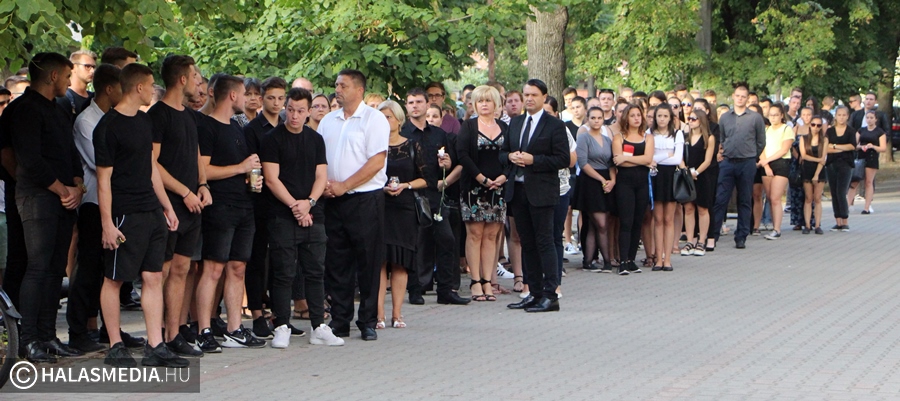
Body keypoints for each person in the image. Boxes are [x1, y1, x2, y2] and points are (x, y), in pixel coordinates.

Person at [92, 63, 186, 368]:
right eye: (151, 84)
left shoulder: (145, 121)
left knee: (153, 275)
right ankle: (115, 345)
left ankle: (155, 345)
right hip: (124, 213)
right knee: (114, 278)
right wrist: (107, 223)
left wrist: (167, 206)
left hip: (151, 210)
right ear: (139, 87)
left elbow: (151, 167)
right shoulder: (107, 127)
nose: (154, 89)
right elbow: (103, 180)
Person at [2, 52, 84, 363]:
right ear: (53, 76)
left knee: (54, 268)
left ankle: (48, 335)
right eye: (67, 76)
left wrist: (77, 186)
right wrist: (62, 189)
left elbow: (71, 154)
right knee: (36, 267)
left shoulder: (59, 109)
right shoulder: (24, 109)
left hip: (64, 198)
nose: (68, 82)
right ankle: (27, 339)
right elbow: (28, 159)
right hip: (37, 198)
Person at [68, 64, 145, 354]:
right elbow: (102, 163)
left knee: (110, 271)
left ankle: (108, 328)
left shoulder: (113, 118)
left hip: (116, 203)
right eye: (122, 88)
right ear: (110, 89)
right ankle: (78, 330)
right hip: (94, 204)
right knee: (88, 269)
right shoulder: (87, 121)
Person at [260, 87, 343, 347]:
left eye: (300, 111)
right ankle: (281, 325)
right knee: (284, 272)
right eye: (291, 110)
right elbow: (271, 179)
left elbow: (321, 176)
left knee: (315, 271)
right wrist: (296, 207)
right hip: (282, 215)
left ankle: (318, 326)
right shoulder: (272, 139)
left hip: (313, 213)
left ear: (309, 112)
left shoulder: (315, 140)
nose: (294, 116)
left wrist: (309, 203)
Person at [194, 75, 266, 351]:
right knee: (213, 268)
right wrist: (240, 168)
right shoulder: (207, 126)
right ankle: (204, 328)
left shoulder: (237, 127)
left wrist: (251, 176)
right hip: (219, 206)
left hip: (244, 204)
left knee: (238, 267)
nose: (247, 98)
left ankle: (235, 328)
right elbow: (203, 170)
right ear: (233, 95)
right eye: (244, 93)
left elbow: (245, 166)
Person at [320, 69, 389, 341]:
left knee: (368, 260)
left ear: (359, 90)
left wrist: (344, 185)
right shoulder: (328, 120)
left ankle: (368, 320)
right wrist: (325, 185)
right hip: (333, 200)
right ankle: (340, 319)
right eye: (336, 85)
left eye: (343, 85)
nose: (337, 90)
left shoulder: (374, 119)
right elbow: (320, 157)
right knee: (337, 261)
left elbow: (376, 162)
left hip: (364, 199)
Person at [148, 55, 209, 357]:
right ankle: (155, 337)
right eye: (195, 76)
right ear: (182, 79)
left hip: (193, 204)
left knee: (183, 268)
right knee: (162, 270)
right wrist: (184, 192)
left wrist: (203, 184)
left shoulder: (189, 116)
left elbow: (195, 153)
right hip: (169, 204)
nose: (199, 82)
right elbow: (153, 163)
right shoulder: (158, 115)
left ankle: (174, 333)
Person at [503, 79, 569, 313]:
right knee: (526, 242)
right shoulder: (516, 122)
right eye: (526, 95)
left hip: (542, 191)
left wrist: (535, 160)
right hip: (518, 190)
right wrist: (510, 157)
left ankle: (551, 295)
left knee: (545, 241)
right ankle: (534, 292)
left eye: (534, 95)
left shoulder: (554, 125)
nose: (529, 99)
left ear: (544, 97)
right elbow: (503, 151)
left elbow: (563, 158)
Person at [401, 89, 469, 305]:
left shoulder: (439, 134)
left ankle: (446, 290)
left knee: (447, 239)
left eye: (418, 101)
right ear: (406, 106)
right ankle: (415, 289)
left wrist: (446, 166)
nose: (415, 106)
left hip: (435, 196)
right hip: (410, 195)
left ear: (427, 104)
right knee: (416, 244)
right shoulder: (402, 133)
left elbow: (448, 164)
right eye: (411, 102)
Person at [240, 76, 286, 337]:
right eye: (271, 98)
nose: (276, 103)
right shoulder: (252, 129)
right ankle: (257, 313)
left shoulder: (287, 126)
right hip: (258, 201)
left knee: (282, 260)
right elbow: (252, 166)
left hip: (283, 201)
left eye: (280, 98)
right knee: (257, 259)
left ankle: (281, 315)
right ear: (261, 99)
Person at [377, 100, 427, 328]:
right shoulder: (373, 146)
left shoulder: (412, 145)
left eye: (388, 117)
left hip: (405, 208)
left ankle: (397, 314)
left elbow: (425, 178)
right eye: (381, 117)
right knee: (379, 262)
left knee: (400, 262)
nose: (384, 121)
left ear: (398, 119)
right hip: (380, 206)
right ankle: (379, 314)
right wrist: (382, 188)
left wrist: (406, 185)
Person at [457, 85, 508, 302]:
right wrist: (481, 178)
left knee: (491, 235)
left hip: (499, 188)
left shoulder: (504, 127)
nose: (484, 104)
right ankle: (475, 281)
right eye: (480, 101)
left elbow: (511, 155)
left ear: (496, 103)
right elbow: (463, 154)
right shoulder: (468, 126)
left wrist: (504, 177)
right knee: (475, 234)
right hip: (474, 187)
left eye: (488, 100)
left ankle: (488, 280)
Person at [711, 83, 766, 250]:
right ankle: (713, 235)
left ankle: (741, 236)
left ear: (747, 99)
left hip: (747, 162)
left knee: (744, 200)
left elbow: (761, 141)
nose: (740, 99)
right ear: (733, 97)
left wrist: (752, 155)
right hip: (728, 162)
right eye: (738, 96)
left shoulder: (755, 118)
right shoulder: (725, 117)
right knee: (721, 199)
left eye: (743, 97)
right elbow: (723, 138)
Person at [611, 104, 654, 274]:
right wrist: (638, 160)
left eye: (638, 115)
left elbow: (648, 159)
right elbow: (618, 161)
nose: (636, 118)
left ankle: (631, 260)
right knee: (626, 221)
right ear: (626, 118)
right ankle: (622, 261)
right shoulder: (619, 137)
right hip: (624, 184)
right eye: (632, 115)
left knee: (638, 221)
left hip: (642, 183)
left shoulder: (648, 138)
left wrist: (627, 158)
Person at [575, 107, 615, 271]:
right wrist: (602, 179)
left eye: (599, 118)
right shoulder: (583, 138)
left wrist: (612, 181)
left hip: (606, 181)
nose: (596, 121)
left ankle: (588, 261)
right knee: (601, 223)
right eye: (593, 118)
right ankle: (607, 261)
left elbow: (612, 163)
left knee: (594, 225)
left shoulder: (607, 140)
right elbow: (583, 163)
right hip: (590, 182)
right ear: (588, 119)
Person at [649, 104, 684, 271]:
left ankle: (667, 259)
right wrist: (665, 155)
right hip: (654, 176)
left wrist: (657, 158)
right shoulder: (649, 134)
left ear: (670, 118)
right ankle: (658, 258)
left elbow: (677, 159)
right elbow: (648, 158)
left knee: (669, 219)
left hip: (670, 177)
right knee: (657, 219)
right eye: (659, 116)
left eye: (665, 116)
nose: (662, 119)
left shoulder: (677, 134)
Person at [680, 110, 716, 256]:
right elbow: (680, 156)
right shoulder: (684, 137)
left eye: (694, 119)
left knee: (702, 208)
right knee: (688, 208)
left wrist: (696, 173)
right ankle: (690, 240)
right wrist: (685, 171)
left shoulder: (709, 138)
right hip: (687, 175)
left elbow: (708, 160)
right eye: (689, 118)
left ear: (701, 120)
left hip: (702, 176)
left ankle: (702, 240)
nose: (690, 121)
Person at [757, 104, 793, 240]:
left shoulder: (786, 129)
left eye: (776, 115)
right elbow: (761, 148)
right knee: (769, 197)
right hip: (766, 164)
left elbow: (784, 149)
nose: (773, 117)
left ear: (781, 115)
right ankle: (773, 225)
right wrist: (766, 165)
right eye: (771, 115)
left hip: (781, 163)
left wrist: (767, 161)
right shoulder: (766, 130)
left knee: (775, 197)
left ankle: (777, 229)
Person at [825, 107, 856, 231]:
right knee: (834, 193)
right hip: (832, 164)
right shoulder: (830, 131)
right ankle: (837, 221)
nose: (841, 117)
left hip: (846, 164)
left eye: (844, 115)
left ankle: (845, 220)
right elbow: (826, 148)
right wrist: (840, 148)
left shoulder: (851, 131)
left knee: (841, 192)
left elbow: (852, 146)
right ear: (835, 116)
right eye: (839, 115)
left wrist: (835, 146)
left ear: (847, 116)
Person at [798, 115, 828, 234]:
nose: (815, 127)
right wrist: (818, 159)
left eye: (818, 125)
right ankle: (807, 225)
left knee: (817, 198)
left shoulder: (824, 140)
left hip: (819, 170)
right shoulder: (804, 138)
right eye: (813, 124)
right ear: (810, 125)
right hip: (807, 169)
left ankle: (817, 225)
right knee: (808, 198)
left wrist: (816, 174)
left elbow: (823, 159)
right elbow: (803, 155)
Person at [856, 111, 887, 214]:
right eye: (867, 117)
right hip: (861, 156)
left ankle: (867, 206)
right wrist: (861, 146)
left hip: (872, 157)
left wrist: (873, 146)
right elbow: (854, 145)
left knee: (868, 182)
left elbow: (883, 148)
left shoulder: (880, 132)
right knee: (855, 180)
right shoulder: (861, 130)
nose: (869, 120)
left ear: (875, 119)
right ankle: (848, 204)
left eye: (871, 118)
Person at [57, 50, 96, 117]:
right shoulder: (64, 98)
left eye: (93, 67)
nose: (92, 71)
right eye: (87, 66)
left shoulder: (94, 98)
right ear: (74, 67)